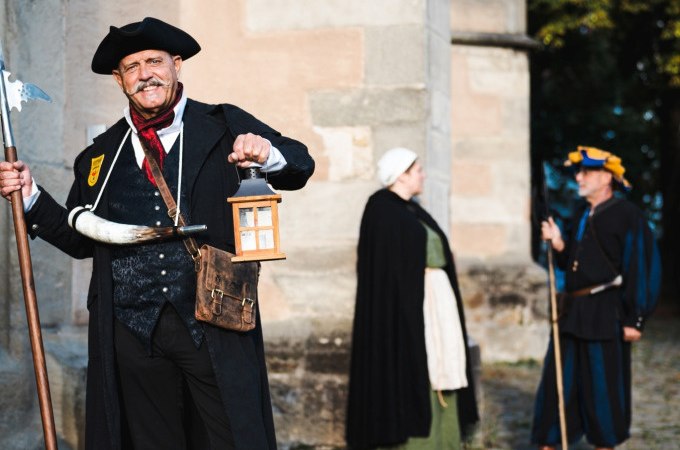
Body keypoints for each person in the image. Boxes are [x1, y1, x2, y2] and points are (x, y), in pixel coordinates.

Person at [0, 17, 314, 450]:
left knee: (233, 438)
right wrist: (32, 197)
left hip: (212, 320)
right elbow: (78, 238)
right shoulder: (100, 155)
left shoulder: (222, 125)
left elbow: (301, 162)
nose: (145, 73)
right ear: (119, 79)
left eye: (154, 61)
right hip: (131, 329)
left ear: (176, 65)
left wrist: (267, 153)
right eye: (132, 67)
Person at [346, 147, 479, 450]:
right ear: (402, 175)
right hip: (409, 309)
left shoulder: (412, 209)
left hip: (435, 302)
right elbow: (384, 273)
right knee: (420, 363)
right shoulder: (382, 210)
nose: (423, 174)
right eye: (418, 170)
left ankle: (445, 439)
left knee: (444, 364)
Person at [532, 146, 661, 449]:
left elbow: (641, 267)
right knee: (560, 386)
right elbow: (575, 265)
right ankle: (551, 440)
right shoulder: (581, 214)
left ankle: (605, 442)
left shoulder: (628, 216)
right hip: (573, 312)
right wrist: (559, 243)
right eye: (579, 172)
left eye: (586, 172)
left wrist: (636, 318)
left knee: (603, 390)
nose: (578, 177)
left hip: (607, 314)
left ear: (606, 177)